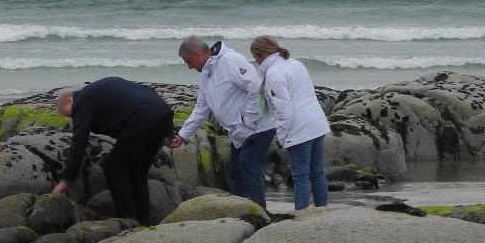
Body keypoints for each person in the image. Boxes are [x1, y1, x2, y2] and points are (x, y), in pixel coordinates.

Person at [50, 77, 174, 226]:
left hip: (142, 119)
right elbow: (144, 95)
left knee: (113, 168)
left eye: (70, 114)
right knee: (137, 173)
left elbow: (79, 141)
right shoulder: (97, 92)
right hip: (162, 113)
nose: (74, 118)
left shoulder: (81, 101)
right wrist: (168, 130)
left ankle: (128, 221)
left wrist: (65, 180)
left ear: (69, 100)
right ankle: (144, 222)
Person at [171, 36, 276, 208]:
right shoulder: (206, 73)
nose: (189, 66)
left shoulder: (230, 60)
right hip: (239, 132)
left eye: (188, 61)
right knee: (236, 172)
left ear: (197, 54)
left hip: (258, 127)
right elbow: (201, 108)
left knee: (249, 168)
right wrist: (183, 134)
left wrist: (247, 119)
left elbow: (257, 88)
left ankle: (259, 212)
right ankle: (238, 211)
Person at [250, 35, 331, 210]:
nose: (255, 62)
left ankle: (301, 216)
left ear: (260, 55)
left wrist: (282, 135)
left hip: (299, 128)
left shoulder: (274, 74)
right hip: (317, 122)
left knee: (300, 176)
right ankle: (323, 210)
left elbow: (284, 110)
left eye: (255, 58)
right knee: (317, 172)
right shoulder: (295, 64)